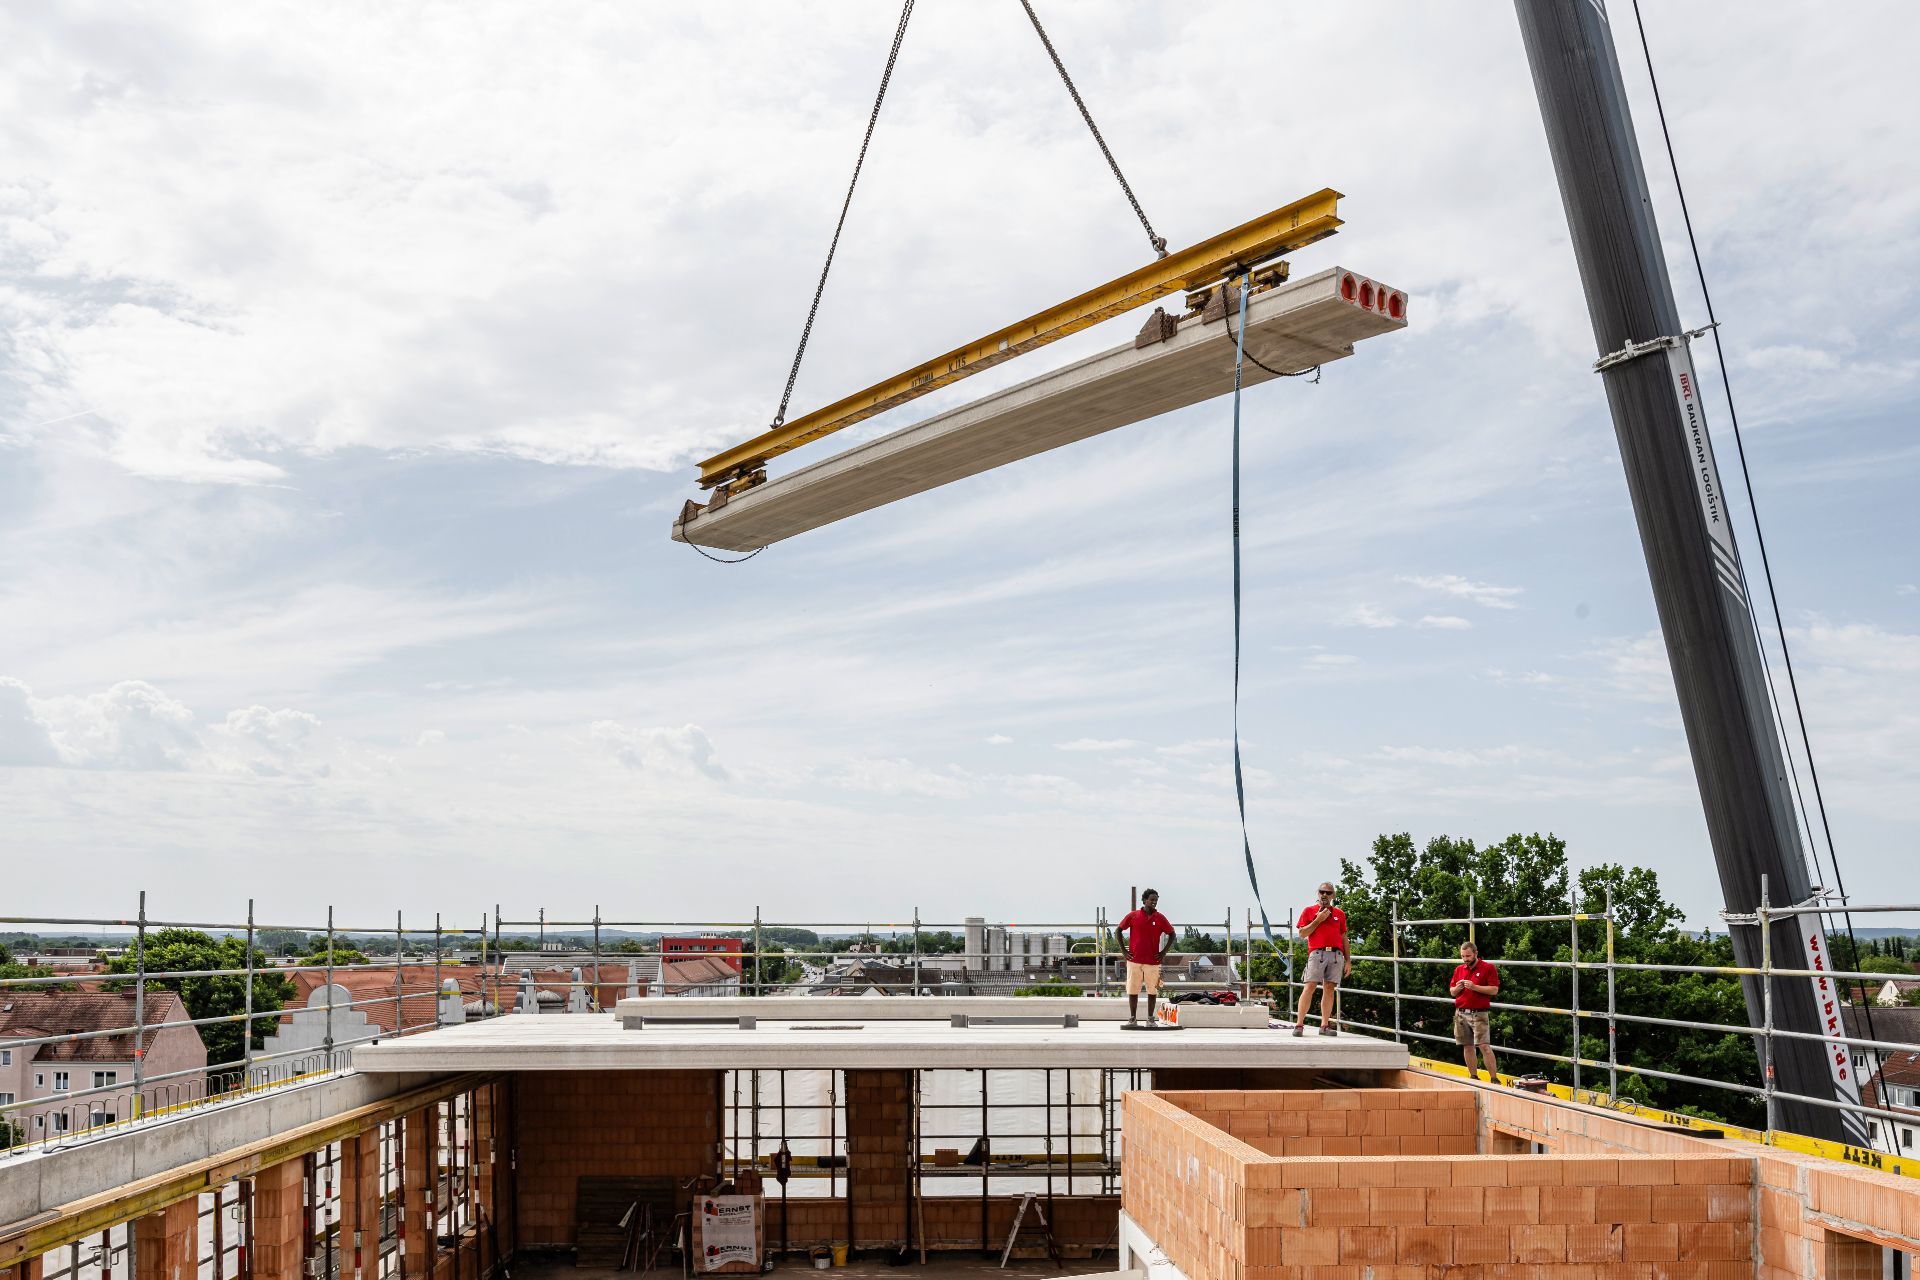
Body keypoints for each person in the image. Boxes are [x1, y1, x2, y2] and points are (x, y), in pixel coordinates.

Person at [1293, 881, 1349, 1036]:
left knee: (1329, 988)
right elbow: (1302, 934)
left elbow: (1344, 938)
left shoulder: (1339, 914)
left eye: (1328, 892)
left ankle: (1324, 1025)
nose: (1324, 895)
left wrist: (1348, 960)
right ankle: (1299, 1024)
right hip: (1317, 953)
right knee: (1310, 986)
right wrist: (1318, 920)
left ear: (1333, 895)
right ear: (1317, 893)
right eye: (1322, 892)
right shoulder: (1309, 911)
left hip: (1336, 955)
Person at [1115, 889, 1175, 1025]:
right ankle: (1132, 1018)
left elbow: (1172, 933)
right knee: (1132, 990)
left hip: (1153, 961)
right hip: (1134, 960)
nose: (1154, 902)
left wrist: (1163, 952)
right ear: (1144, 900)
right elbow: (1118, 930)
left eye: (1156, 900)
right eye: (1152, 900)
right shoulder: (1133, 915)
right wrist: (1124, 951)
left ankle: (1150, 1018)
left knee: (1152, 991)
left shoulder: (1160, 918)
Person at [1450, 939, 1500, 1081]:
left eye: (1468, 956)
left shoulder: (1488, 968)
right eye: (1463, 956)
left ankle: (1494, 1079)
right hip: (1460, 1013)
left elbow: (1494, 990)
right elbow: (1452, 992)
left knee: (1484, 1046)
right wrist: (1457, 988)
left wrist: (1474, 987)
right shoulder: (1459, 969)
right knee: (1467, 1046)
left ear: (1476, 953)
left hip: (1479, 1013)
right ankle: (1473, 1076)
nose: (1465, 959)